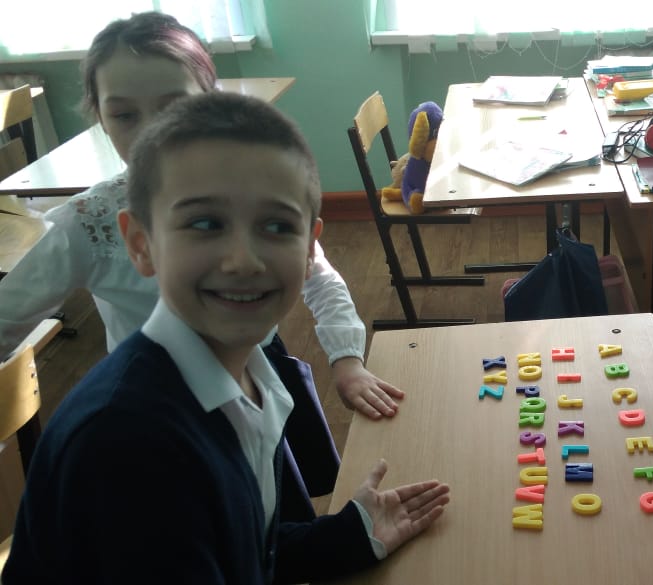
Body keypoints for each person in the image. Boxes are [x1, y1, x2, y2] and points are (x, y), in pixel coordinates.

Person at [2, 91, 451, 584]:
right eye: (205, 224)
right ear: (141, 244)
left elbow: (241, 549)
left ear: (310, 248)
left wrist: (348, 536)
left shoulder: (254, 382)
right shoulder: (127, 445)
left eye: (276, 226)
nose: (243, 260)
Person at [0, 12, 399, 518]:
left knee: (274, 520)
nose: (153, 132)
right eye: (124, 115)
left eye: (175, 107)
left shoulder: (253, 187)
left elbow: (317, 273)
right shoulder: (90, 222)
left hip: (256, 378)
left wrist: (347, 359)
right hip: (165, 414)